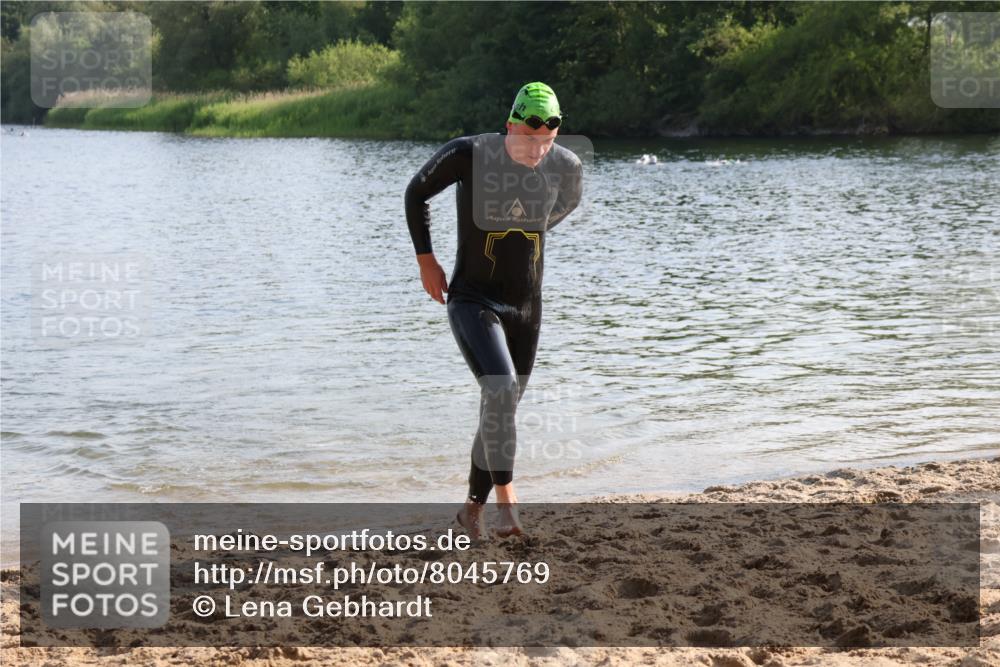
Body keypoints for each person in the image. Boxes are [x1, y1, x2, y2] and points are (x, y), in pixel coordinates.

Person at [404, 82, 583, 539]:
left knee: (499, 408)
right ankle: (508, 503)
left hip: (526, 307)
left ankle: (470, 514)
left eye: (546, 140)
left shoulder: (566, 167)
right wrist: (427, 259)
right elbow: (416, 193)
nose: (537, 148)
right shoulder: (470, 155)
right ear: (510, 125)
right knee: (501, 391)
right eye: (527, 136)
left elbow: (560, 208)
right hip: (472, 299)